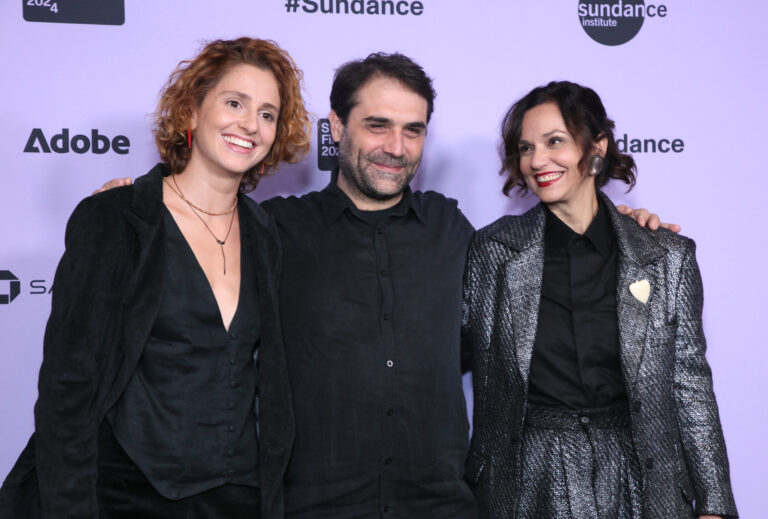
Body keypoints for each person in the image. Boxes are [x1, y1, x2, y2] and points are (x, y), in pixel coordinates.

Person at [85, 55, 670, 519]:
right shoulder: (273, 230)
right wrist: (141, 203)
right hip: (312, 505)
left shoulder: (457, 232)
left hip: (440, 506)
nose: (396, 146)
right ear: (337, 127)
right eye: (378, 125)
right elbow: (197, 228)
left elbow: (544, 269)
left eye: (413, 130)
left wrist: (631, 233)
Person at [0, 37, 311, 519]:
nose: (251, 124)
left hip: (240, 498)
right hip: (128, 494)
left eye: (268, 114)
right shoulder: (117, 218)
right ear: (191, 112)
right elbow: (68, 390)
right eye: (234, 103)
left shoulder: (265, 233)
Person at [462, 81, 737, 519]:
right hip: (526, 483)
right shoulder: (493, 251)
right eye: (525, 147)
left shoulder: (666, 257)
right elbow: (448, 354)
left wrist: (715, 505)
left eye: (555, 142)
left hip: (642, 479)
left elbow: (690, 387)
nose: (537, 161)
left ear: (597, 147)